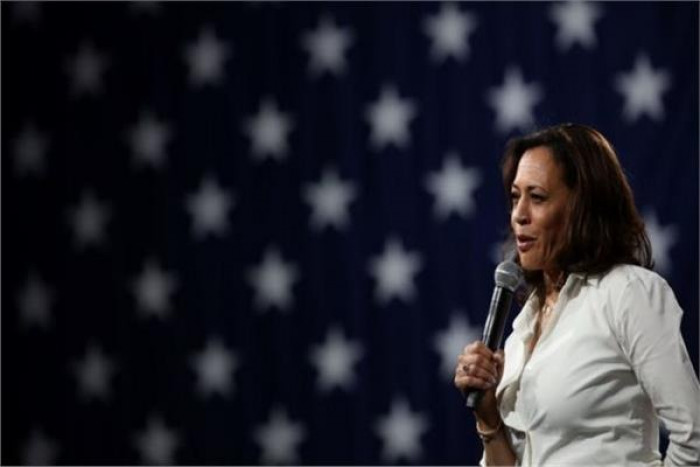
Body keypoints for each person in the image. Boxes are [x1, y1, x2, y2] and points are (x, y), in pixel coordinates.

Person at [453, 123, 700, 465]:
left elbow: (694, 439)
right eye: (515, 197)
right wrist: (489, 418)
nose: (518, 215)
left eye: (537, 197)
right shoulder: (524, 325)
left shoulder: (628, 293)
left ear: (582, 206)